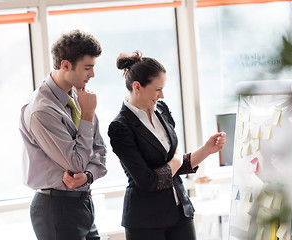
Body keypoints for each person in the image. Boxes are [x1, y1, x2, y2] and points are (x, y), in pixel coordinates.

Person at [107, 51, 226, 240]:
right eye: (157, 89)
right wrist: (177, 160)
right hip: (145, 223)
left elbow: (172, 167)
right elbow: (148, 181)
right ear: (137, 86)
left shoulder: (161, 110)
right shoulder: (120, 127)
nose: (162, 95)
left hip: (180, 214)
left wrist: (206, 150)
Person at [19, 29, 107, 240]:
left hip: (83, 203)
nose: (92, 74)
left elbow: (100, 153)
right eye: (88, 68)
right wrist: (87, 115)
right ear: (65, 65)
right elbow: (76, 162)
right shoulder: (42, 110)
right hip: (56, 209)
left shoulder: (79, 95)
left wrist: (87, 176)